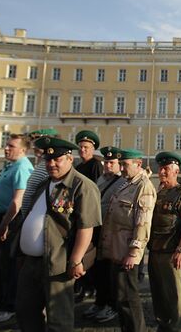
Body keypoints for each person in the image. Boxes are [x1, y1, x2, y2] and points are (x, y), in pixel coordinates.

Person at [15, 137, 101, 331]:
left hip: (57, 263)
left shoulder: (82, 186)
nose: (51, 164)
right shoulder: (44, 184)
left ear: (70, 159)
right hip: (31, 261)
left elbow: (86, 227)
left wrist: (76, 260)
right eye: (48, 160)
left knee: (58, 318)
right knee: (25, 310)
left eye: (57, 159)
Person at [0, 134, 34, 323]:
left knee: (8, 266)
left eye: (11, 146)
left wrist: (4, 225)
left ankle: (9, 305)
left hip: (9, 222)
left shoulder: (23, 168)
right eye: (6, 144)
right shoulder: (11, 165)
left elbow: (17, 201)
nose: (6, 148)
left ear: (23, 150)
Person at [100, 148, 156, 332]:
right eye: (121, 164)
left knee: (129, 299)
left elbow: (143, 223)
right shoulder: (126, 183)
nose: (122, 168)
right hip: (117, 249)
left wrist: (134, 252)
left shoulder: (144, 187)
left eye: (125, 164)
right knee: (120, 297)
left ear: (138, 164)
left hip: (127, 252)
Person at [148, 151, 181, 332]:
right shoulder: (158, 191)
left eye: (166, 169)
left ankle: (177, 326)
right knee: (158, 291)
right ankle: (163, 323)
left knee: (173, 293)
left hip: (171, 251)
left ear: (176, 171)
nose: (162, 172)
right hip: (155, 250)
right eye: (161, 169)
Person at [82, 146, 126, 323]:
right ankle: (100, 302)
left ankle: (111, 305)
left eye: (112, 163)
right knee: (97, 270)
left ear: (118, 164)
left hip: (111, 232)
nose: (108, 166)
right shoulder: (101, 179)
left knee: (109, 272)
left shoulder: (121, 182)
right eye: (106, 162)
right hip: (97, 230)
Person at [74, 129, 103, 301]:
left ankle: (89, 286)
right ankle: (81, 284)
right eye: (81, 147)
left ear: (92, 149)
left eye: (86, 147)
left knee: (88, 253)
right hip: (78, 214)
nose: (83, 150)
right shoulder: (78, 167)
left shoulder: (95, 166)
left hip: (90, 216)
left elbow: (97, 191)